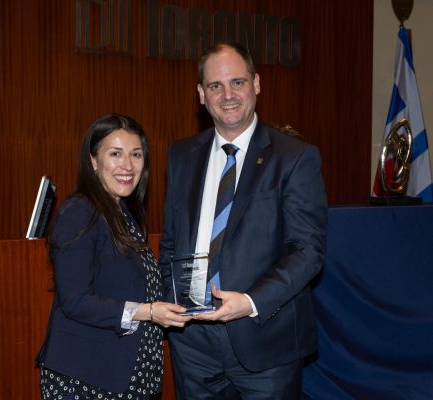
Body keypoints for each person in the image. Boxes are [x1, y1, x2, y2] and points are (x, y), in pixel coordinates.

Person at [159, 43, 328, 399]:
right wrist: (171, 301)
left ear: (257, 84)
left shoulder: (295, 157)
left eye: (238, 82)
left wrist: (251, 301)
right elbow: (172, 242)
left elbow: (308, 251)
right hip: (193, 344)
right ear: (202, 95)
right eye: (216, 86)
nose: (228, 95)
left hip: (265, 338)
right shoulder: (180, 155)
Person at [37, 114, 190, 400]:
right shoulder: (79, 212)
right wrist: (147, 311)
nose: (128, 166)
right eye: (116, 154)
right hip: (87, 375)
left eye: (136, 155)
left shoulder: (124, 215)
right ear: (94, 161)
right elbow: (75, 301)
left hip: (128, 372)